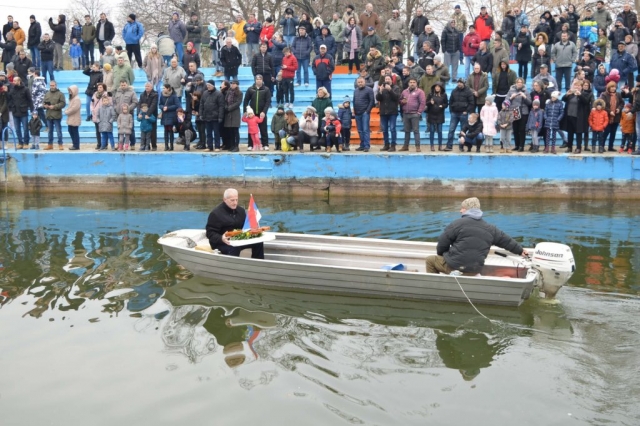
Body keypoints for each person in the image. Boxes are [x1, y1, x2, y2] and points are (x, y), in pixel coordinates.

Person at [426, 197, 527, 275]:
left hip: (454, 266)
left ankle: (433, 286)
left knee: (430, 260)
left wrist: (442, 256)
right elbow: (506, 241)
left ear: (467, 210)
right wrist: (520, 250)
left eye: (462, 208)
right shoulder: (490, 228)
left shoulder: (456, 224)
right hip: (475, 269)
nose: (460, 211)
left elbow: (442, 243)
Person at [206, 189, 265, 259]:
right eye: (232, 200)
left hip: (238, 240)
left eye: (236, 200)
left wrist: (252, 229)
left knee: (258, 242)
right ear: (225, 199)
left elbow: (245, 228)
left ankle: (257, 264)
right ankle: (233, 268)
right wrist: (221, 238)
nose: (235, 203)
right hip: (222, 243)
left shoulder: (241, 211)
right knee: (234, 248)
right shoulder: (216, 214)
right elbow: (210, 233)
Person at [399, 77, 426, 152]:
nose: (412, 84)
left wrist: (419, 112)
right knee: (407, 131)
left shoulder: (420, 92)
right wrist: (402, 102)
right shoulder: (404, 91)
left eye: (414, 82)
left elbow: (423, 103)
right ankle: (405, 146)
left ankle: (417, 146)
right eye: (410, 82)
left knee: (416, 131)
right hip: (406, 114)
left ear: (416, 83)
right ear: (408, 83)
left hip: (415, 114)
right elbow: (400, 100)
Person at [376, 74, 400, 151]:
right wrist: (380, 91)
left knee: (392, 129)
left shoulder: (396, 87)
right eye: (386, 79)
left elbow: (396, 98)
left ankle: (393, 145)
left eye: (388, 79)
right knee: (385, 129)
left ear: (391, 80)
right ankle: (386, 144)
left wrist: (390, 90)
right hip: (383, 112)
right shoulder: (382, 88)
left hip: (392, 111)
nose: (387, 80)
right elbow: (378, 98)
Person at [8, 77, 33, 149]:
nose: (14, 82)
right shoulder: (12, 90)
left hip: (23, 112)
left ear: (19, 81)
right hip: (15, 112)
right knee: (17, 129)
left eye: (15, 80)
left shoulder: (25, 89)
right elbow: (9, 99)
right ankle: (20, 142)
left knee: (25, 128)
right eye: (13, 80)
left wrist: (32, 110)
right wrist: (11, 106)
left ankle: (26, 143)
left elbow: (29, 100)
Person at [353, 77, 375, 152]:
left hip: (365, 113)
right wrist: (354, 110)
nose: (360, 83)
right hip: (357, 113)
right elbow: (354, 101)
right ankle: (362, 145)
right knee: (360, 130)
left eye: (361, 82)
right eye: (358, 82)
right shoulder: (355, 91)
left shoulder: (369, 90)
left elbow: (372, 101)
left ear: (364, 82)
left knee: (365, 130)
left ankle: (366, 146)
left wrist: (367, 111)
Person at [42, 80, 65, 150]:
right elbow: (43, 103)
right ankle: (50, 144)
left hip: (57, 115)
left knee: (58, 131)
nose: (52, 87)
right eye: (51, 85)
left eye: (53, 85)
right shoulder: (47, 94)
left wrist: (54, 106)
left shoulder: (60, 94)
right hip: (49, 115)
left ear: (56, 85)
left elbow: (63, 103)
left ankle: (60, 144)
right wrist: (44, 106)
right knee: (50, 131)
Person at [425, 82, 448, 151]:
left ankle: (440, 145)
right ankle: (432, 145)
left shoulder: (444, 95)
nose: (437, 88)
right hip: (431, 114)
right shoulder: (431, 94)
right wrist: (430, 103)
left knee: (440, 131)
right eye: (436, 87)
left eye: (439, 87)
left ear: (441, 88)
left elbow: (446, 104)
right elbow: (426, 103)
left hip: (440, 114)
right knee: (432, 130)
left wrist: (442, 106)